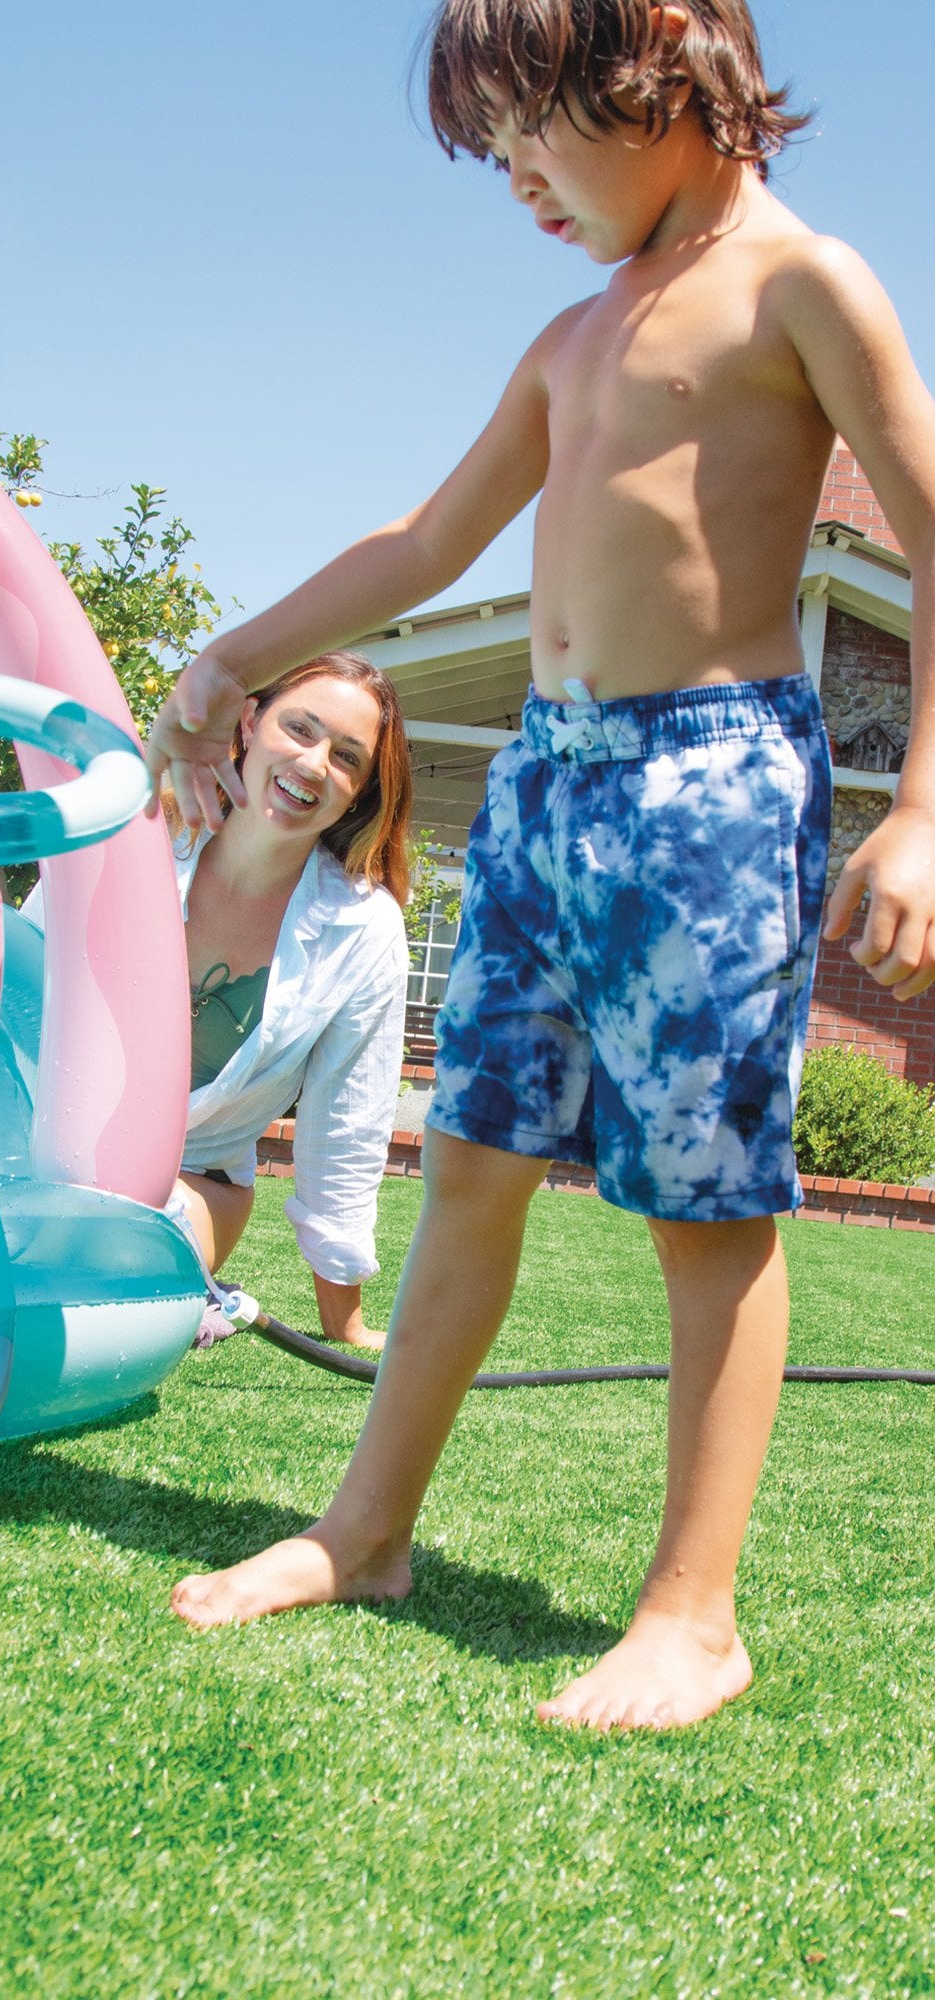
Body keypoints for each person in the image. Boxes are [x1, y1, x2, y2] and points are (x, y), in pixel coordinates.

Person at [147, 0, 935, 1731]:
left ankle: (694, 1614)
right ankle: (364, 1531)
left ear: (659, 60)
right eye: (492, 151)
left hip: (712, 784)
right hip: (550, 791)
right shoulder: (573, 336)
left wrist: (925, 802)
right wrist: (231, 650)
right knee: (477, 1160)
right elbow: (429, 543)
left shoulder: (805, 284)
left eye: (529, 135)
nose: (512, 182)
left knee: (706, 1198)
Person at [160, 652, 413, 1352]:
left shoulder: (364, 928)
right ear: (249, 721)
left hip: (187, 1192)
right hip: (31, 1154)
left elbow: (347, 1126)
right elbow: (17, 993)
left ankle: (180, 1292)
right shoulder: (136, 834)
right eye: (299, 729)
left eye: (346, 758)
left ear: (359, 794)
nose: (312, 764)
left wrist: (346, 1324)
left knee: (107, 1251)